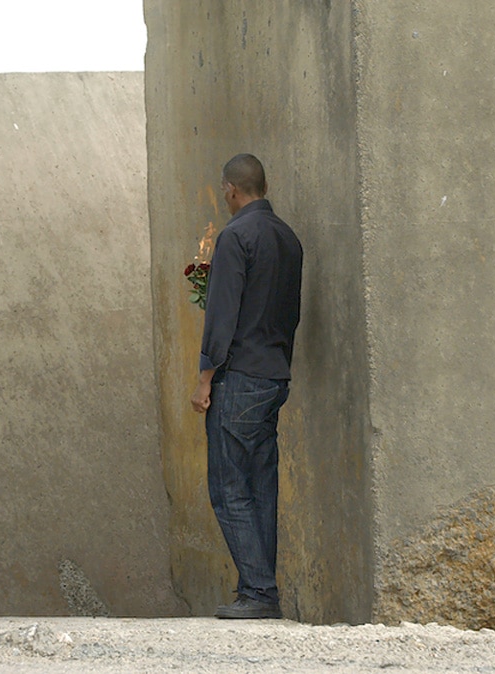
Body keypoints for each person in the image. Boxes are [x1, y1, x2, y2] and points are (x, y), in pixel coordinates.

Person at [191, 153, 303, 620]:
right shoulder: (288, 239)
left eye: (223, 189)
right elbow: (291, 314)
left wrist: (204, 378)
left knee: (228, 487)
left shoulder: (236, 236)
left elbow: (222, 315)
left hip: (238, 379)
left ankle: (258, 593)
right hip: (274, 376)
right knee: (260, 487)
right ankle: (259, 591)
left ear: (233, 190)